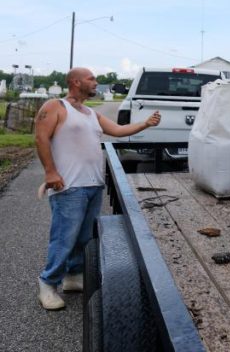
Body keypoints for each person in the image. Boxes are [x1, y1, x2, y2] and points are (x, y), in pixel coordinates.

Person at [34, 67, 161, 310]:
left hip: (93, 184)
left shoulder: (91, 113)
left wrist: (145, 124)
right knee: (64, 238)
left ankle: (73, 276)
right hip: (69, 186)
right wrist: (50, 172)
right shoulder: (56, 106)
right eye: (91, 78)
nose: (96, 82)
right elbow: (41, 138)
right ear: (75, 82)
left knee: (84, 237)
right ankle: (47, 283)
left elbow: (118, 131)